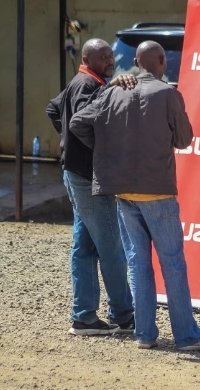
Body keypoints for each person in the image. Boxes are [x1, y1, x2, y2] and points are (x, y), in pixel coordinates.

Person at [69, 41, 200, 351]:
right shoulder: (168, 94)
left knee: (138, 264)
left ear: (137, 63)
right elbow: (184, 140)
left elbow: (77, 123)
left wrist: (107, 149)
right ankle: (187, 336)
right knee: (172, 263)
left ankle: (144, 334)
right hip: (157, 192)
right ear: (162, 61)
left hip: (124, 192)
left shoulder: (113, 92)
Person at [46, 38, 137, 336]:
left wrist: (69, 144)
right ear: (87, 60)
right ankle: (124, 316)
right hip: (88, 179)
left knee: (84, 248)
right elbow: (80, 121)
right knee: (111, 249)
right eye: (103, 57)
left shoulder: (83, 81)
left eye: (111, 55)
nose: (110, 60)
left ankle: (84, 317)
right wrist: (93, 149)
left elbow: (53, 109)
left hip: (76, 174)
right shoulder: (89, 85)